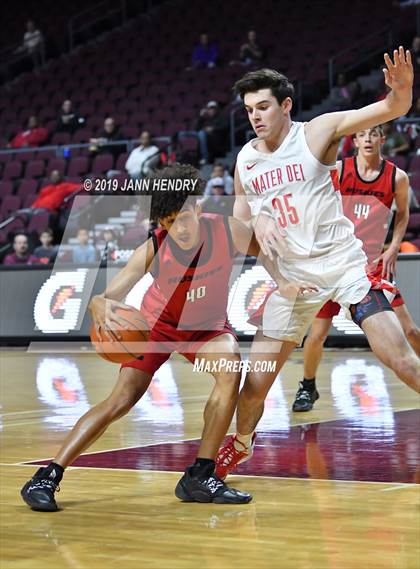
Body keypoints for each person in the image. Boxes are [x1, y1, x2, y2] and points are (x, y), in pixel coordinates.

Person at [20, 163, 307, 511]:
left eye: (184, 218)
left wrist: (283, 280)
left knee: (231, 370)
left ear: (197, 208)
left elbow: (263, 252)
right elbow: (110, 296)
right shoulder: (155, 247)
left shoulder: (229, 230)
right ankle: (47, 476)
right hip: (158, 327)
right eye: (169, 222)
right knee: (120, 401)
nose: (179, 229)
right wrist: (97, 304)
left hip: (206, 329)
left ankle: (200, 475)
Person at [215, 48, 420, 480]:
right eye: (249, 109)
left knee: (398, 356)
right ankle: (242, 445)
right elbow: (238, 228)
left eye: (264, 106)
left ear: (286, 105)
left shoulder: (316, 132)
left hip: (345, 267)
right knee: (256, 383)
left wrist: (401, 92)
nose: (255, 116)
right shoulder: (246, 161)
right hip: (292, 278)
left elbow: (389, 107)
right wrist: (261, 229)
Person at [293, 125, 420, 412]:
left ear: (382, 139)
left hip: (370, 267)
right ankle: (308, 386)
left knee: (409, 329)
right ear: (355, 140)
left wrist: (394, 246)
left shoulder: (396, 177)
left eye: (373, 134)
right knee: (317, 334)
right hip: (334, 263)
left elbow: (403, 216)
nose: (368, 139)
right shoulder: (338, 169)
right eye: (362, 134)